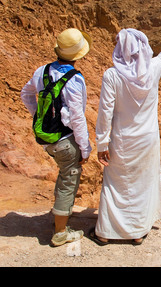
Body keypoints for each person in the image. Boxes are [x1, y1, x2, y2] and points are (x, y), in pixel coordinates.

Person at [89, 29, 161, 246]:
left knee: (116, 184)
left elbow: (105, 112)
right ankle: (137, 232)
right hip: (148, 140)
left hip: (122, 140)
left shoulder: (112, 75)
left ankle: (106, 232)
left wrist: (102, 143)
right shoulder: (153, 68)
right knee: (142, 183)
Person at [21, 28, 92, 247]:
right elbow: (77, 117)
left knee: (63, 177)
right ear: (79, 54)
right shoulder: (75, 79)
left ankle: (59, 219)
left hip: (46, 139)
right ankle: (60, 232)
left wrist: (39, 118)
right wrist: (85, 147)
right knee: (68, 181)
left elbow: (26, 94)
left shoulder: (41, 70)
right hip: (65, 140)